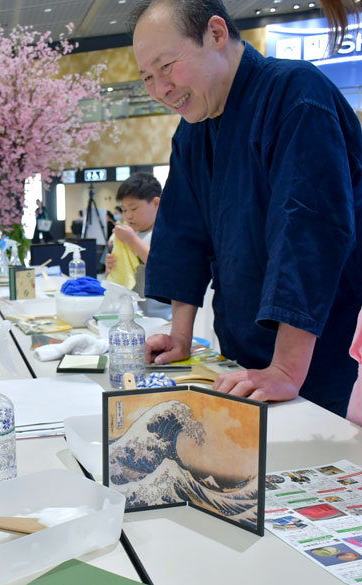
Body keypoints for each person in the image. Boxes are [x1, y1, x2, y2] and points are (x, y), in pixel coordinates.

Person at [130, 0, 362, 415]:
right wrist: (179, 335)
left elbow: (309, 231)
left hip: (323, 351)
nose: (160, 88)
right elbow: (183, 234)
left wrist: (286, 368)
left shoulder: (297, 93)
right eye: (147, 76)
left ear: (216, 34)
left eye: (166, 66)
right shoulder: (192, 133)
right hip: (246, 354)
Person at [105, 172, 171, 320]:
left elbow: (163, 267)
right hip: (135, 315)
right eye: (124, 210)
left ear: (156, 203)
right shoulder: (128, 236)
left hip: (164, 319)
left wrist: (132, 240)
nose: (128, 215)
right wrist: (111, 269)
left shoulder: (168, 233)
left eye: (133, 209)